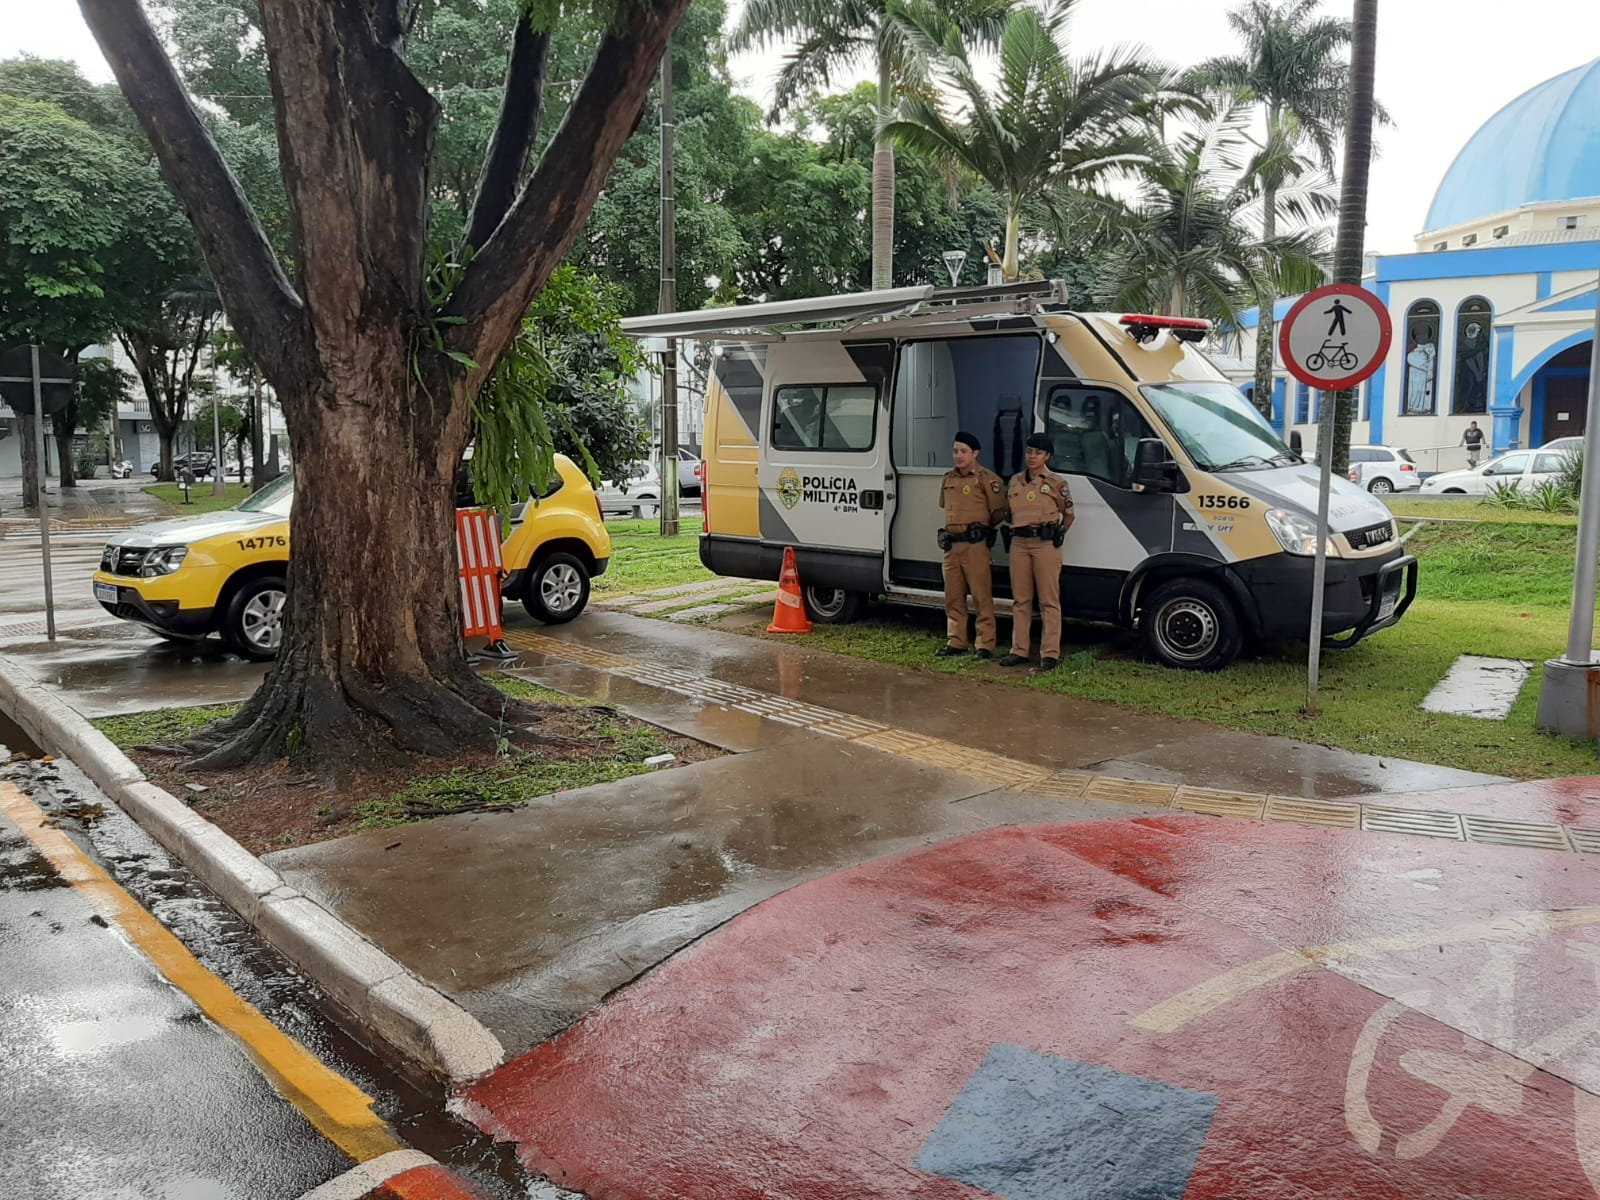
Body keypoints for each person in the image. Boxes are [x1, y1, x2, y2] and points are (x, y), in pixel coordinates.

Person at [1000, 434, 1074, 671]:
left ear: (1047, 456)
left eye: (1038, 453)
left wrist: (1058, 533)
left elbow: (1069, 514)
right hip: (1019, 543)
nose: (1032, 457)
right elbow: (1008, 512)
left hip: (1045, 545)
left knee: (1048, 600)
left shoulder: (1056, 483)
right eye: (1029, 451)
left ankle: (1049, 654)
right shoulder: (1014, 482)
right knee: (1021, 600)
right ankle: (1019, 650)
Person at [936, 431, 1007, 659]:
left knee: (981, 596)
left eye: (963, 451)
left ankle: (985, 644)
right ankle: (956, 641)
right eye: (956, 451)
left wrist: (982, 529)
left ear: (975, 454)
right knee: (953, 596)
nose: (958, 456)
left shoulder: (988, 479)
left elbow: (999, 512)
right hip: (952, 547)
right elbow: (945, 508)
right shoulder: (948, 479)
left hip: (975, 546)